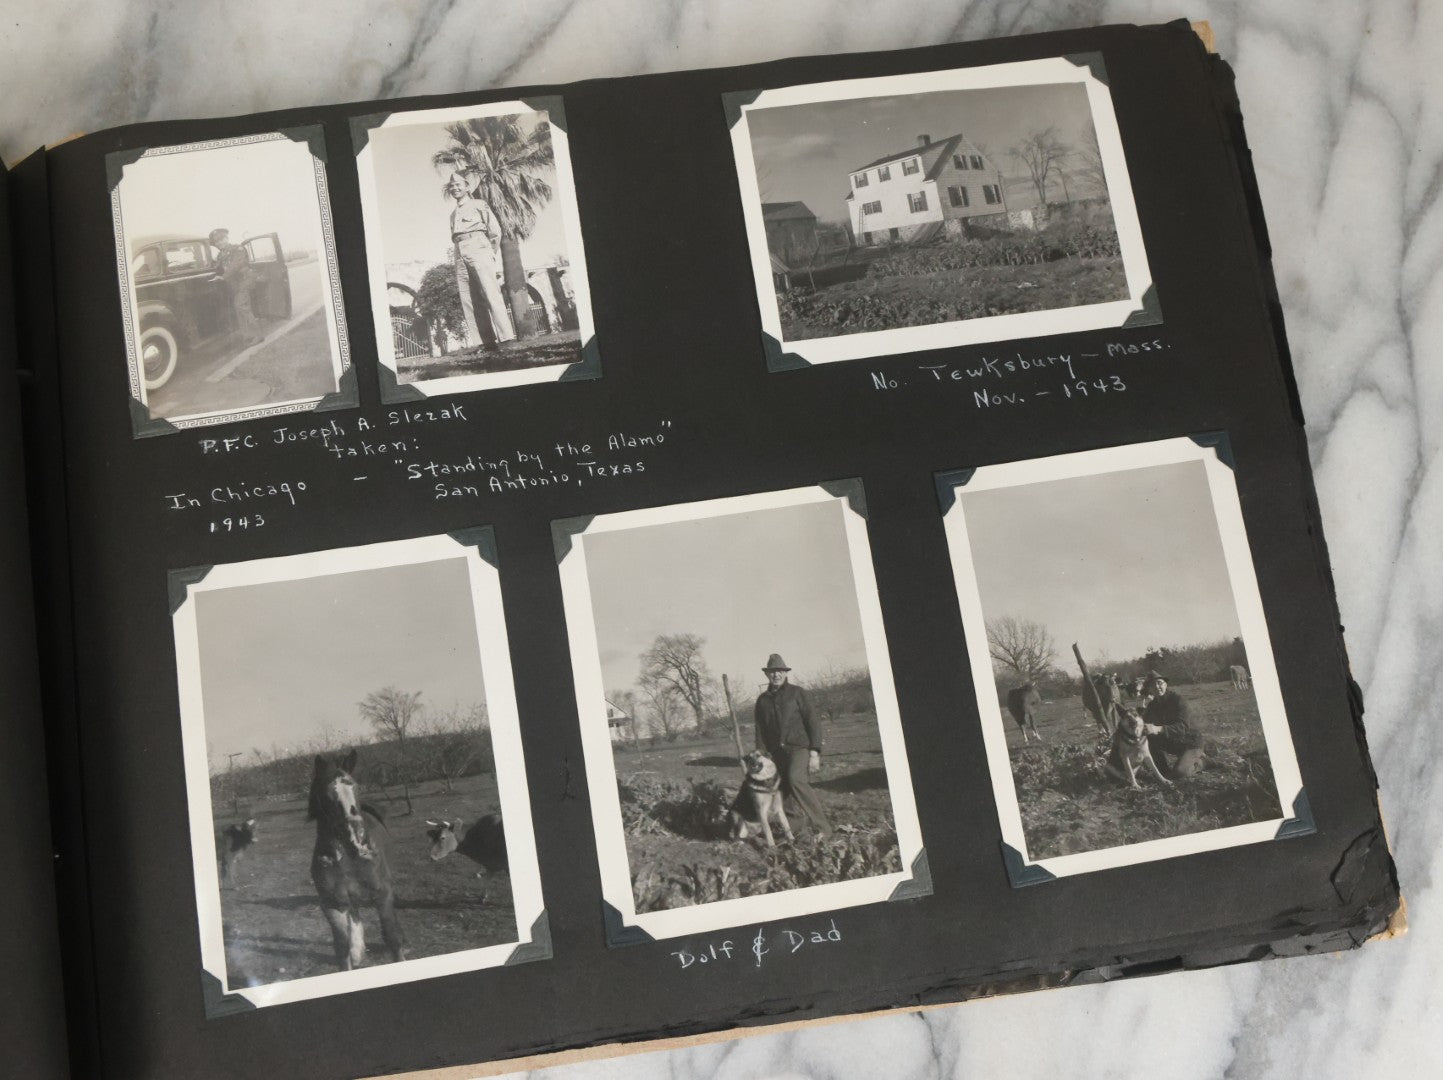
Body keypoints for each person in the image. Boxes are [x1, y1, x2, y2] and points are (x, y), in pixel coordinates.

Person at [753, 653, 832, 838]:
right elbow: (760, 730)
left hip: (799, 747)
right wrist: (761, 755)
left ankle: (823, 828)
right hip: (775, 752)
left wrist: (814, 751)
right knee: (781, 787)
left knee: (796, 779)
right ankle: (795, 826)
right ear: (767, 675)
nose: (776, 675)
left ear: (785, 673)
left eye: (780, 671)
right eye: (772, 672)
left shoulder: (797, 693)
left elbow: (812, 721)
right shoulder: (762, 700)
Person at [447, 174, 516, 350]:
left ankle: (507, 339)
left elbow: (494, 231)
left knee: (490, 292)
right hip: (459, 249)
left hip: (478, 245)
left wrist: (488, 253)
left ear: (467, 186)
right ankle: (486, 342)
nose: (455, 188)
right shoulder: (453, 214)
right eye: (452, 186)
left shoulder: (479, 204)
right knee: (469, 298)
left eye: (458, 184)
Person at [1134, 669, 1205, 778]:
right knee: (1149, 738)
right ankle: (1164, 771)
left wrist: (1158, 729)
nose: (1157, 687)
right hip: (1173, 744)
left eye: (1160, 683)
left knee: (1180, 773)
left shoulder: (1178, 700)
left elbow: (1182, 728)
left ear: (1166, 684)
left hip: (1191, 742)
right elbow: (1142, 726)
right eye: (1153, 685)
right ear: (1149, 689)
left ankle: (1204, 761)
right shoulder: (1152, 705)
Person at [209, 228, 261, 345]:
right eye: (217, 242)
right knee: (239, 307)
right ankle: (248, 336)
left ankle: (257, 335)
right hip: (235, 284)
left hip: (245, 280)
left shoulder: (238, 249)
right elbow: (217, 266)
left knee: (242, 306)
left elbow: (236, 264)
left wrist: (223, 276)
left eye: (221, 240)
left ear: (227, 238)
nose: (219, 243)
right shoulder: (221, 255)